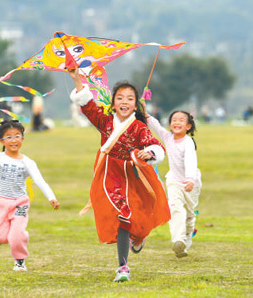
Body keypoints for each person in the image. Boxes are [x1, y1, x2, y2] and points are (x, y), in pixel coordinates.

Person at [68, 67, 170, 282]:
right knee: (123, 216)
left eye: (130, 98)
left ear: (136, 104)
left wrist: (149, 153)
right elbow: (87, 105)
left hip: (135, 176)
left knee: (139, 221)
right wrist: (77, 78)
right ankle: (123, 267)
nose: (125, 101)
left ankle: (139, 237)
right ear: (113, 103)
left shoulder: (140, 127)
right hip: (110, 175)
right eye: (120, 98)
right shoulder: (105, 122)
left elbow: (155, 145)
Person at [0, 119, 60, 271]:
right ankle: (14, 236)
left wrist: (51, 198)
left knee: (16, 235)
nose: (13, 140)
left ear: (23, 138)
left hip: (20, 203)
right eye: (9, 137)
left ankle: (19, 260)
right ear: (1, 140)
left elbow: (39, 180)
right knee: (0, 237)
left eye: (17, 136)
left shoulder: (28, 162)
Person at [144, 105, 202, 258]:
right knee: (175, 209)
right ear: (170, 125)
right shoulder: (168, 137)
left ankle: (187, 237)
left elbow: (191, 161)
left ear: (188, 126)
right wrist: (144, 113)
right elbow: (155, 125)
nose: (177, 122)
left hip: (191, 183)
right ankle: (178, 240)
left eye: (181, 120)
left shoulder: (188, 142)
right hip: (174, 181)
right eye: (174, 120)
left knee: (189, 215)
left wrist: (190, 179)